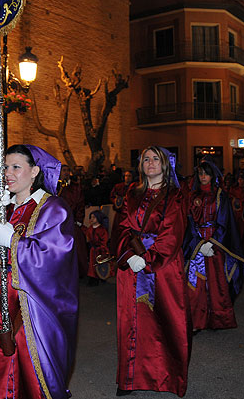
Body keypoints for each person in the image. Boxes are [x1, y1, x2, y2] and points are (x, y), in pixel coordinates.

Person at [0, 144, 78, 399]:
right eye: (5, 167)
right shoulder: (2, 206)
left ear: (34, 172)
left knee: (31, 366)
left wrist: (16, 243)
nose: (8, 173)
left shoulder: (53, 208)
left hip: (32, 303)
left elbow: (56, 257)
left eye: (16, 167)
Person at [115, 146, 190, 397]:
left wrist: (148, 259)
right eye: (146, 159)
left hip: (163, 267)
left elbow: (173, 232)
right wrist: (129, 255)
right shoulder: (132, 192)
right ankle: (129, 379)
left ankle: (167, 378)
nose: (150, 163)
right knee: (131, 322)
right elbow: (122, 225)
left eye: (155, 158)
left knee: (166, 320)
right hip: (131, 266)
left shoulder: (176, 195)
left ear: (165, 164)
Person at [183, 161, 244, 331]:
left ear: (212, 175)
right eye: (200, 173)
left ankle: (216, 320)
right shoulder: (191, 196)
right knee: (195, 284)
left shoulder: (221, 196)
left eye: (206, 173)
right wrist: (198, 243)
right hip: (197, 245)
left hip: (215, 246)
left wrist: (212, 243)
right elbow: (188, 221)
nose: (203, 177)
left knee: (216, 284)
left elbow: (225, 222)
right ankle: (196, 322)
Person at [109, 170, 134, 257]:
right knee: (117, 233)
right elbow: (112, 196)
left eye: (129, 176)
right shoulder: (118, 186)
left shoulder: (135, 187)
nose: (127, 178)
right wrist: (116, 201)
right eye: (126, 176)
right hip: (119, 215)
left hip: (129, 215)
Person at [82, 210, 110, 286]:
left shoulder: (102, 229)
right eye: (90, 217)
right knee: (92, 265)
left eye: (94, 217)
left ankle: (101, 276)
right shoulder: (90, 228)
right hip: (93, 250)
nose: (91, 219)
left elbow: (104, 240)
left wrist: (103, 250)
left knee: (100, 264)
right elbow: (87, 233)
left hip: (100, 250)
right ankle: (93, 278)